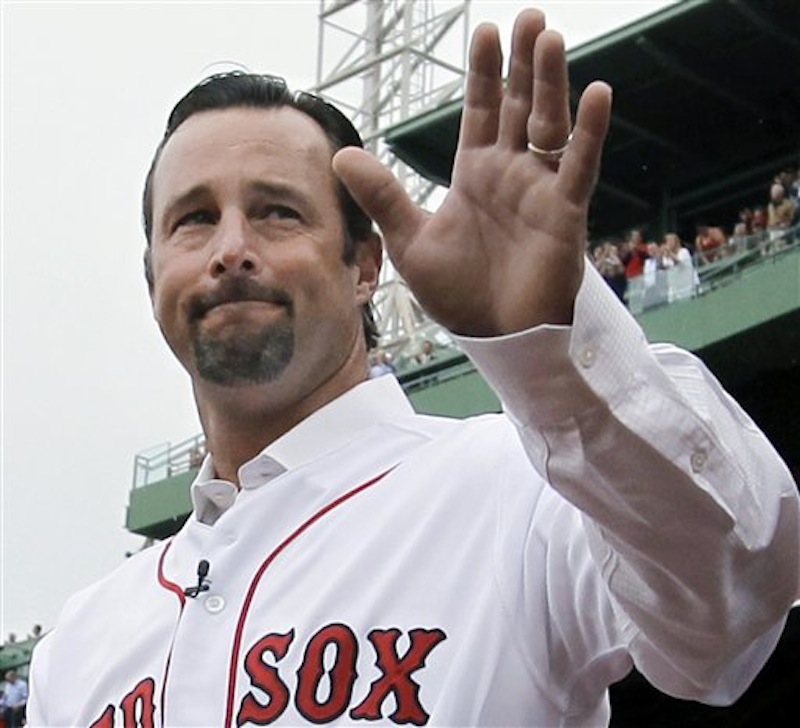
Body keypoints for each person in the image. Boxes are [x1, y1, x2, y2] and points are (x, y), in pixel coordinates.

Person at [27, 9, 799, 728]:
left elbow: (732, 601)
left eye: (277, 211)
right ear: (153, 273)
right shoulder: (80, 644)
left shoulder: (518, 485)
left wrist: (553, 340)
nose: (231, 247)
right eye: (194, 219)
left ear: (366, 266)